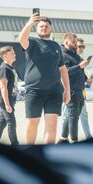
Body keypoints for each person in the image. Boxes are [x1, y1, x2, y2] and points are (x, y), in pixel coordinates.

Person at [19, 13, 71, 144]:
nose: (43, 28)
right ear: (37, 28)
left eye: (46, 26)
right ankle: (30, 152)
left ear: (51, 28)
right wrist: (30, 23)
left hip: (54, 91)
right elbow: (21, 40)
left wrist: (67, 90)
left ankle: (48, 152)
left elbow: (63, 69)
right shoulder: (32, 42)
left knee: (52, 122)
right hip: (34, 90)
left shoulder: (56, 46)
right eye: (41, 26)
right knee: (32, 122)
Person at [58, 33, 89, 143]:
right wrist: (80, 66)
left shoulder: (74, 54)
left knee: (73, 115)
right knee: (73, 117)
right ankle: (74, 141)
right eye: (74, 42)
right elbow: (64, 71)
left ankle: (63, 138)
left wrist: (84, 77)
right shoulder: (63, 55)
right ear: (66, 42)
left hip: (79, 90)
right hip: (71, 90)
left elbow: (78, 70)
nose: (76, 45)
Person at [0, 46, 20, 145]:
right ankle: (15, 145)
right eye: (12, 53)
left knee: (2, 122)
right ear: (5, 56)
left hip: (10, 99)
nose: (14, 54)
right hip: (5, 100)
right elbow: (3, 87)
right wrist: (7, 104)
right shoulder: (4, 68)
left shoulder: (10, 67)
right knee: (11, 122)